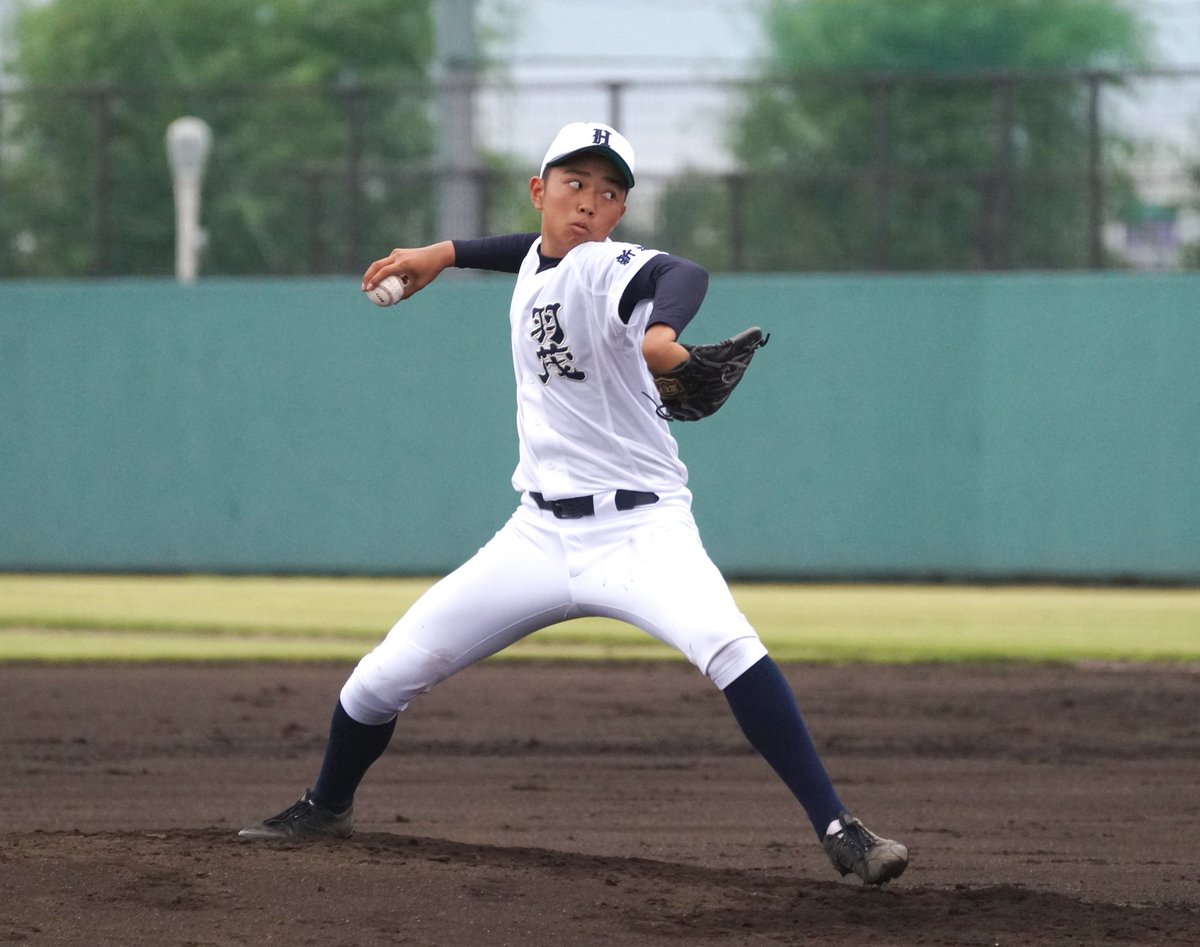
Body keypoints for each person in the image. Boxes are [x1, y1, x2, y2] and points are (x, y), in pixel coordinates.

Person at [238, 121, 909, 886]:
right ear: (541, 191)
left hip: (640, 530)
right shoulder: (535, 258)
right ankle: (327, 804)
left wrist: (661, 335)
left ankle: (840, 827)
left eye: (609, 191)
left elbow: (681, 270)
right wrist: (444, 253)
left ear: (619, 214)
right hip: (536, 537)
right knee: (377, 681)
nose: (590, 202)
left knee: (729, 646)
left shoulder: (604, 268)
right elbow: (522, 252)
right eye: (575, 183)